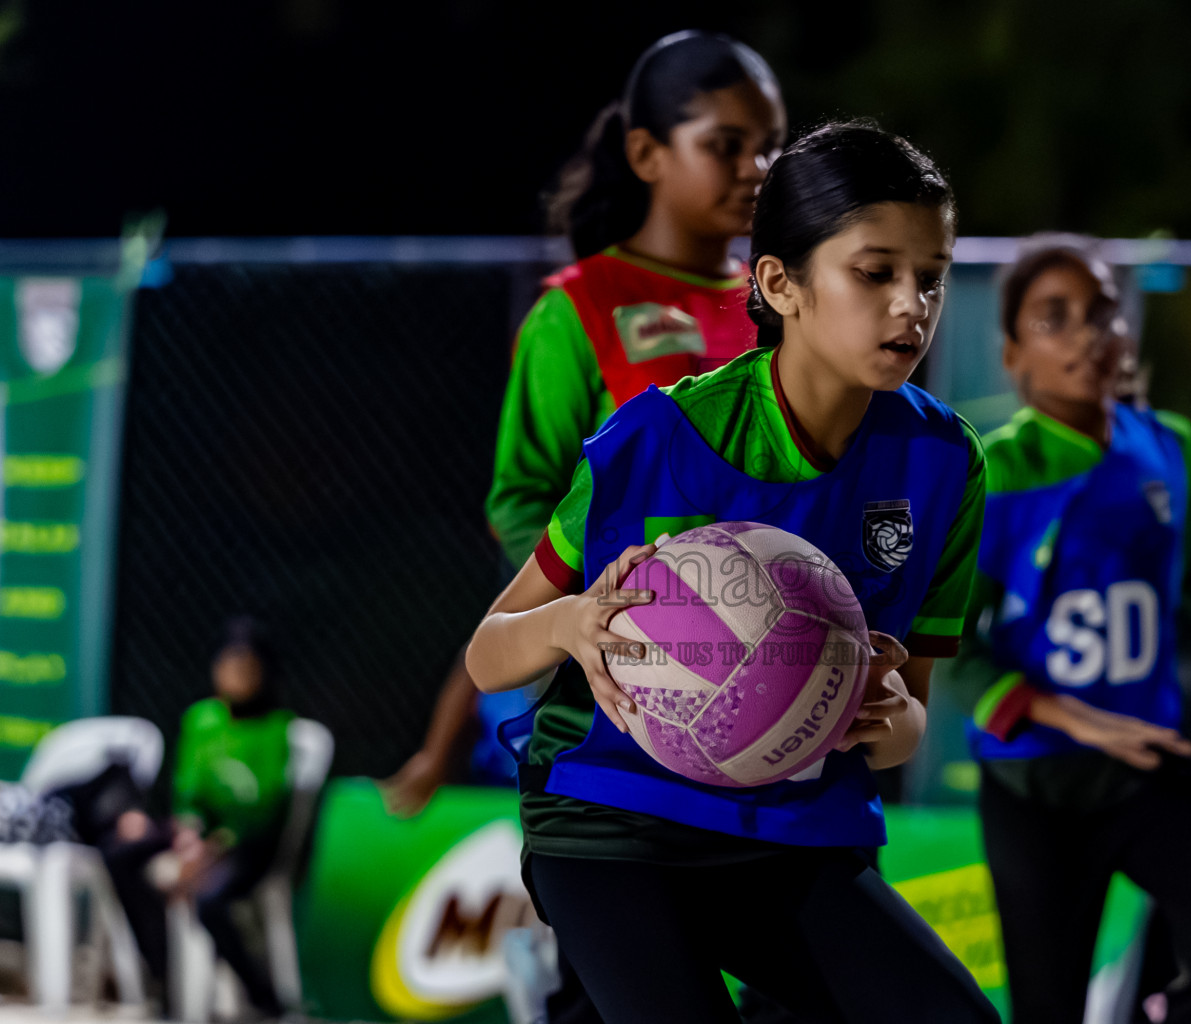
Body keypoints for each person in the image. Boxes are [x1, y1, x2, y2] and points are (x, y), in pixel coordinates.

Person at [465, 120, 997, 1024]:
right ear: (778, 283)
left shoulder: (944, 463)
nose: (912, 303)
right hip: (614, 821)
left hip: (790, 832)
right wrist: (568, 625)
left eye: (931, 276)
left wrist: (893, 718)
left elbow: (904, 719)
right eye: (876, 273)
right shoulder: (661, 439)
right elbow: (487, 655)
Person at [384, 28, 786, 818]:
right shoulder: (578, 308)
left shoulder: (782, 300)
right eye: (727, 144)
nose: (757, 169)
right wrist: (598, 608)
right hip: (633, 672)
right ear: (647, 154)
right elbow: (521, 494)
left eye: (770, 146)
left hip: (778, 664)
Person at [965, 236, 1191, 1023]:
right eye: (1055, 319)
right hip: (1037, 781)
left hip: (1145, 765)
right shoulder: (994, 471)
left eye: (1102, 312)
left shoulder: (1167, 446)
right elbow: (946, 639)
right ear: (1015, 352)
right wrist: (1064, 714)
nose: (1088, 333)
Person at [103, 617, 294, 1019]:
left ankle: (263, 997)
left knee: (209, 901)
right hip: (198, 831)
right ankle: (161, 971)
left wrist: (210, 849)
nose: (235, 675)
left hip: (245, 842)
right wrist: (188, 833)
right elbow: (186, 790)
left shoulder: (276, 729)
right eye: (228, 664)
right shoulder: (201, 719)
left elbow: (263, 807)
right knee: (120, 854)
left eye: (246, 667)